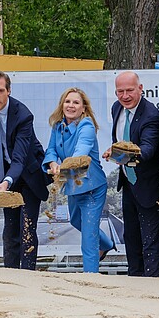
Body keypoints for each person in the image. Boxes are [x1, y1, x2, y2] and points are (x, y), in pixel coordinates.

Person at [0, 70, 52, 270]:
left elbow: (19, 158)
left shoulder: (23, 116)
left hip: (29, 174)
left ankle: (28, 276)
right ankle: (10, 275)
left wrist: (5, 183)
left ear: (9, 90)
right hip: (8, 173)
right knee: (10, 230)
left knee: (26, 229)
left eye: (1, 90)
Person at [44, 88, 115, 273]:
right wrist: (52, 163)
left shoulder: (87, 125)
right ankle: (107, 243)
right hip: (72, 184)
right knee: (77, 221)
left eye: (76, 102)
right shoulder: (57, 126)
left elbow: (81, 150)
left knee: (89, 236)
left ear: (83, 108)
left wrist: (66, 166)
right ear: (62, 105)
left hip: (92, 186)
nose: (71, 105)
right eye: (67, 101)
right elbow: (50, 149)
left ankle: (90, 275)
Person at [104, 71, 159, 277]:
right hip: (128, 183)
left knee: (150, 240)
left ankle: (152, 283)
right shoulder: (116, 109)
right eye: (120, 91)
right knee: (131, 237)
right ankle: (135, 279)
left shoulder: (151, 115)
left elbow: (148, 149)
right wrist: (113, 151)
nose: (125, 96)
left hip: (149, 185)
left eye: (130, 90)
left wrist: (123, 153)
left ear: (140, 88)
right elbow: (119, 140)